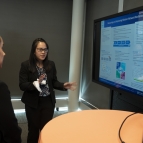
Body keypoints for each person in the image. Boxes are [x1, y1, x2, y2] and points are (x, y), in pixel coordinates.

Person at [19, 38, 76, 143]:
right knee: (33, 131)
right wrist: (37, 83)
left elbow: (53, 82)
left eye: (45, 49)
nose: (43, 52)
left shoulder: (51, 64)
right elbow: (22, 85)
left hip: (48, 103)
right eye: (40, 49)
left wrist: (64, 85)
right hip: (33, 103)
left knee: (46, 130)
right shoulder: (26, 65)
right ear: (34, 50)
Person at [0, 36, 22, 143]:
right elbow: (11, 131)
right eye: (1, 48)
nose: (4, 53)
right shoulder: (0, 88)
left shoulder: (51, 65)